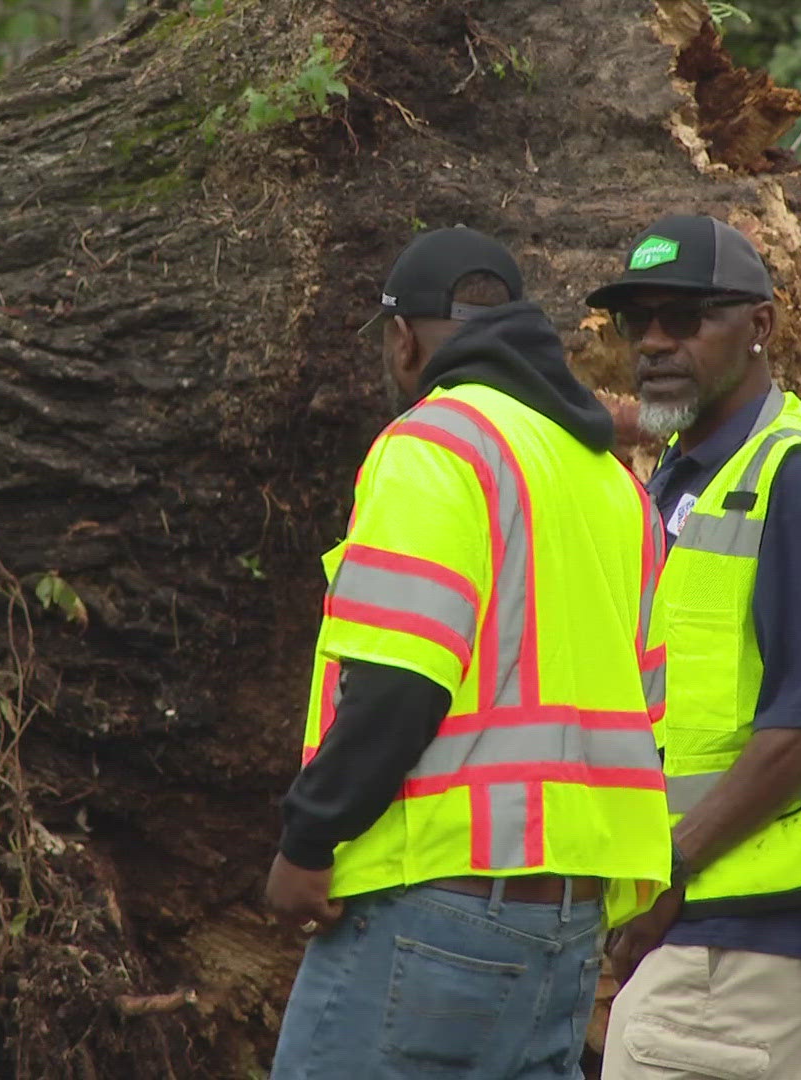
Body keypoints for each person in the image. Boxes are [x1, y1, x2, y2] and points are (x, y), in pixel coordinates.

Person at [264, 226, 672, 1080]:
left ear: (402, 337)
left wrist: (307, 843)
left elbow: (399, 684)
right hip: (570, 922)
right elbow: (650, 702)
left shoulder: (434, 446)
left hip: (438, 907)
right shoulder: (613, 484)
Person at [586, 215, 801, 1080]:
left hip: (736, 932)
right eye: (635, 321)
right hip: (698, 928)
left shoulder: (789, 478)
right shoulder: (687, 478)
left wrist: (670, 870)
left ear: (760, 326)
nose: (653, 342)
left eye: (685, 317)